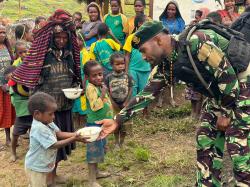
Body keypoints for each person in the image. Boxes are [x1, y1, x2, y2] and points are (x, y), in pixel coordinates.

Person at [98, 21, 250, 186]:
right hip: (220, 93)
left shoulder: (197, 42)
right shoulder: (168, 63)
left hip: (241, 85)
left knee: (238, 147)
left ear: (158, 41)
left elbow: (228, 77)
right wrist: (117, 120)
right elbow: (148, 93)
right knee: (205, 138)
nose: (142, 56)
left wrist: (225, 114)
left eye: (143, 50)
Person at [12, 9, 81, 183]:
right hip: (47, 111)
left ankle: (53, 174)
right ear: (51, 38)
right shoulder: (43, 55)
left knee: (60, 144)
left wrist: (75, 87)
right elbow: (30, 75)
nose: (61, 40)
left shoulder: (69, 55)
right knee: (50, 144)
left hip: (64, 105)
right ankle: (48, 178)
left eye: (65, 38)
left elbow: (74, 76)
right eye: (58, 37)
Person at [25, 92, 88, 187]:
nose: (53, 117)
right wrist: (74, 138)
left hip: (45, 164)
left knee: (46, 183)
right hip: (36, 167)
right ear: (37, 114)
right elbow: (54, 145)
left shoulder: (47, 121)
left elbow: (59, 133)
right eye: (50, 114)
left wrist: (76, 134)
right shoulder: (39, 128)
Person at [84, 60, 113, 187]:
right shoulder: (90, 88)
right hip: (93, 126)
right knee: (93, 152)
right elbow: (95, 106)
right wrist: (102, 94)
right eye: (94, 75)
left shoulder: (99, 85)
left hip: (101, 125)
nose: (98, 77)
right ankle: (91, 180)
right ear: (88, 77)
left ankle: (96, 173)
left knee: (100, 150)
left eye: (100, 74)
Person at [105, 53, 133, 148]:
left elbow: (130, 89)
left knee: (125, 124)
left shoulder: (128, 76)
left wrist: (127, 102)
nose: (121, 66)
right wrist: (112, 102)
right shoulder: (108, 77)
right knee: (116, 124)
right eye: (117, 64)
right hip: (114, 105)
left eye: (122, 63)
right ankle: (116, 142)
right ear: (111, 65)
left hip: (125, 104)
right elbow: (107, 91)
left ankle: (122, 142)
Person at [9, 41, 31, 162]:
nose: (23, 54)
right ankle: (13, 152)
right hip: (20, 102)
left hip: (31, 99)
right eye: (20, 52)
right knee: (16, 133)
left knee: (34, 130)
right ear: (16, 53)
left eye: (25, 51)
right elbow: (12, 85)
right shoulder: (15, 66)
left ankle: (32, 149)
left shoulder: (32, 63)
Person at [0, 24, 15, 150]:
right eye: (0, 32)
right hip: (0, 86)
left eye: (4, 32)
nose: (2, 35)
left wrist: (8, 83)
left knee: (7, 112)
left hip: (7, 85)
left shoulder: (7, 47)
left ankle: (8, 138)